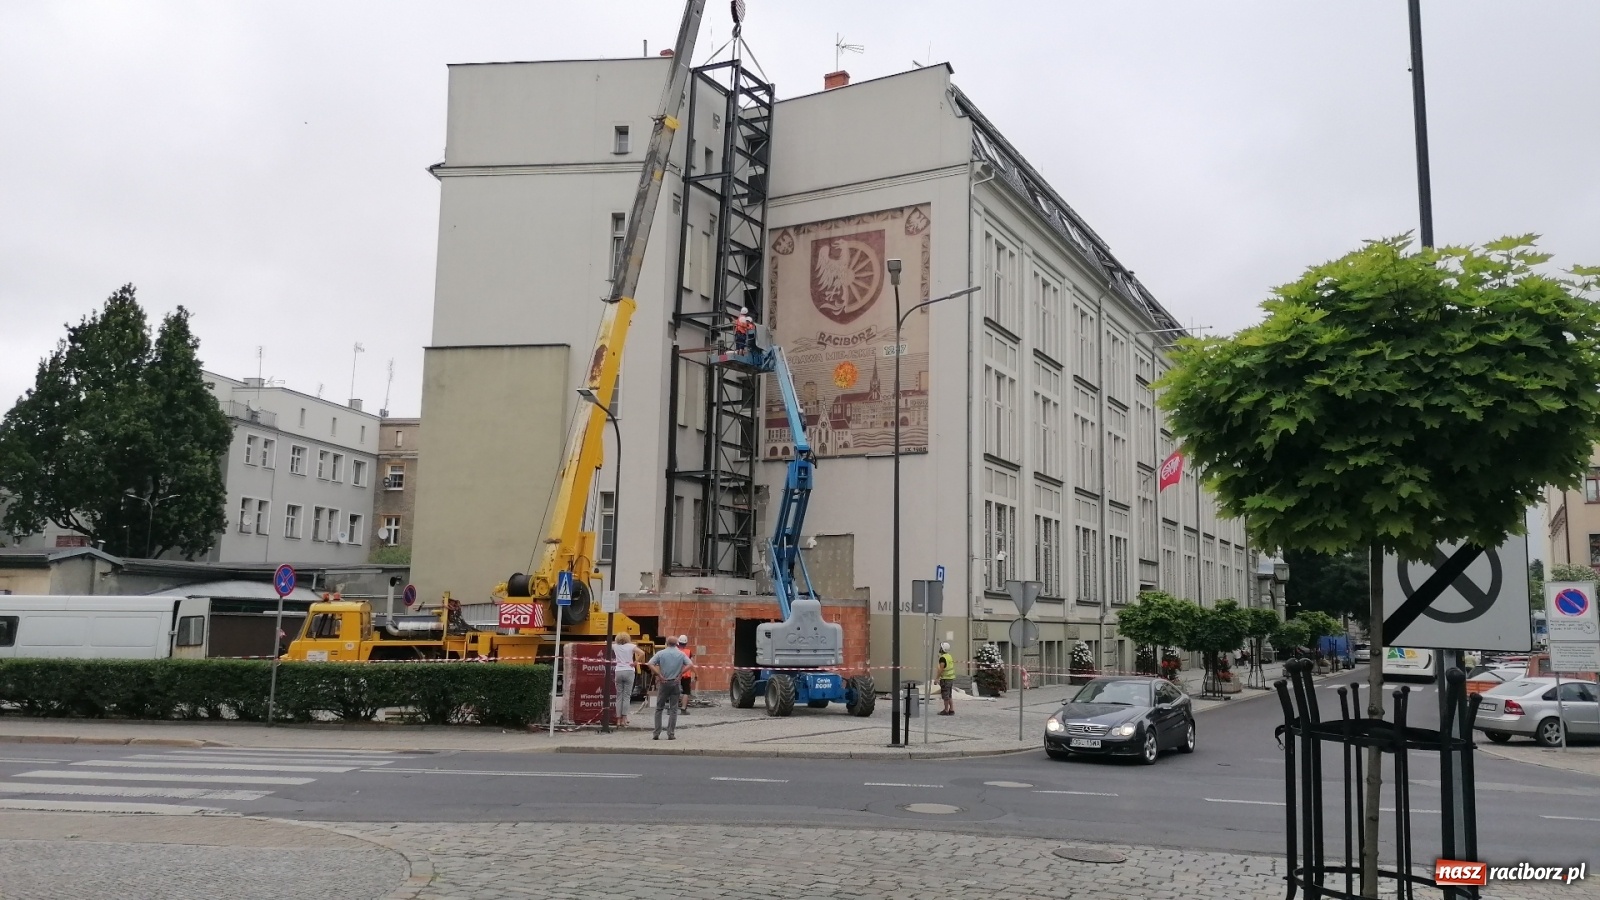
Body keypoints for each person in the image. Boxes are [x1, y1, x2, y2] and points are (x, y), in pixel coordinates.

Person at [648, 638, 693, 740]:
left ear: (667, 643)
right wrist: (680, 674)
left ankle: (656, 733)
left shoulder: (661, 653)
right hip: (675, 682)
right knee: (673, 709)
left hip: (664, 682)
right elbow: (690, 664)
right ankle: (670, 733)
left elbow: (650, 663)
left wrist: (659, 674)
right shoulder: (681, 654)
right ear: (676, 644)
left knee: (659, 708)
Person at [612, 633, 642, 728]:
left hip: (618, 671)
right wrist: (636, 662)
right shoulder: (631, 646)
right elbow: (642, 653)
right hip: (629, 671)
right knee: (626, 696)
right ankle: (624, 718)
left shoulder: (615, 646)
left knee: (619, 696)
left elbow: (606, 645)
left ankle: (618, 719)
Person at [936, 642, 957, 715]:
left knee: (945, 695)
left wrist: (937, 678)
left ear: (942, 649)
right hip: (950, 679)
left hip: (945, 679)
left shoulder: (942, 658)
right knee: (949, 695)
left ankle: (946, 710)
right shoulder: (949, 656)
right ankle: (951, 709)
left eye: (941, 647)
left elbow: (941, 669)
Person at [676, 635, 694, 714]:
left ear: (678, 643)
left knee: (674, 692)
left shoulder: (675, 651)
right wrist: (696, 674)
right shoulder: (689, 652)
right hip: (686, 675)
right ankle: (683, 709)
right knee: (686, 692)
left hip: (675, 674)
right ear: (686, 643)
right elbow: (691, 664)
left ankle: (672, 708)